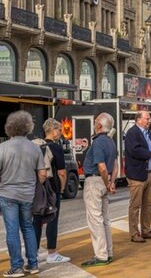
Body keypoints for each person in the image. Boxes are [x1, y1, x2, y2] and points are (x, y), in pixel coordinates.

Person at [0, 111, 45, 277]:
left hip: (7, 194)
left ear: (9, 127)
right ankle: (33, 264)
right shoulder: (35, 148)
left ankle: (16, 267)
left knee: (12, 230)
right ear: (28, 127)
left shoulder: (2, 148)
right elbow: (42, 175)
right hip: (27, 194)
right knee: (27, 227)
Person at [81, 113, 118, 267]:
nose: (94, 123)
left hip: (95, 181)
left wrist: (106, 181)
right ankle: (108, 252)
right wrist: (111, 182)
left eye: (96, 122)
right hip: (105, 181)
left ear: (99, 126)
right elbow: (114, 165)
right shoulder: (110, 141)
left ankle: (101, 255)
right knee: (105, 219)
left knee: (95, 220)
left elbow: (101, 166)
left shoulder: (97, 142)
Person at [32, 118, 71, 264]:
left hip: (37, 189)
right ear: (52, 130)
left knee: (37, 220)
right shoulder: (56, 148)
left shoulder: (36, 146)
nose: (61, 132)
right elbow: (61, 172)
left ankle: (33, 253)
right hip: (52, 188)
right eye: (59, 129)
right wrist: (61, 188)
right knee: (52, 219)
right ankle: (52, 253)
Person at [124, 111, 151, 243]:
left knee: (148, 204)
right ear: (138, 119)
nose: (149, 121)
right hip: (137, 174)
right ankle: (134, 233)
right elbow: (134, 150)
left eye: (150, 119)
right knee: (135, 205)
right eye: (147, 118)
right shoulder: (133, 133)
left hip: (150, 173)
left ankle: (146, 230)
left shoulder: (149, 134)